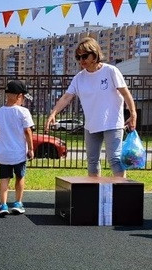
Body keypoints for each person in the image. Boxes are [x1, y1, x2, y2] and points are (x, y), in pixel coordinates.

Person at [44, 36, 137, 177]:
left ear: (95, 54)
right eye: (78, 57)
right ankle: (94, 194)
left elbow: (125, 93)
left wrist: (133, 114)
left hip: (112, 124)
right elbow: (66, 97)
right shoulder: (79, 78)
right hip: (91, 126)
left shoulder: (110, 71)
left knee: (114, 160)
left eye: (85, 56)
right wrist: (53, 113)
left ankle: (120, 194)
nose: (81, 61)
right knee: (92, 161)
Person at [0, 80, 34, 217]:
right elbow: (27, 131)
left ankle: (3, 204)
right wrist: (31, 149)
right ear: (19, 96)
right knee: (20, 177)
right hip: (18, 153)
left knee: (4, 179)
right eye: (23, 97)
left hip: (3, 153)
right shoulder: (23, 112)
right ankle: (17, 203)